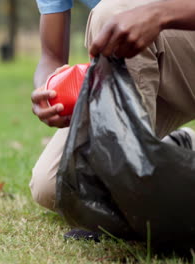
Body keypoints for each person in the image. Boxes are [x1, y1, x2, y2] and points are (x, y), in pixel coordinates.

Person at [30, 0, 195, 240]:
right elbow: (51, 56)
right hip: (144, 67)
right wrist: (47, 90)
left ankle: (134, 204)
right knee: (54, 184)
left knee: (112, 13)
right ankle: (179, 148)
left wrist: (159, 12)